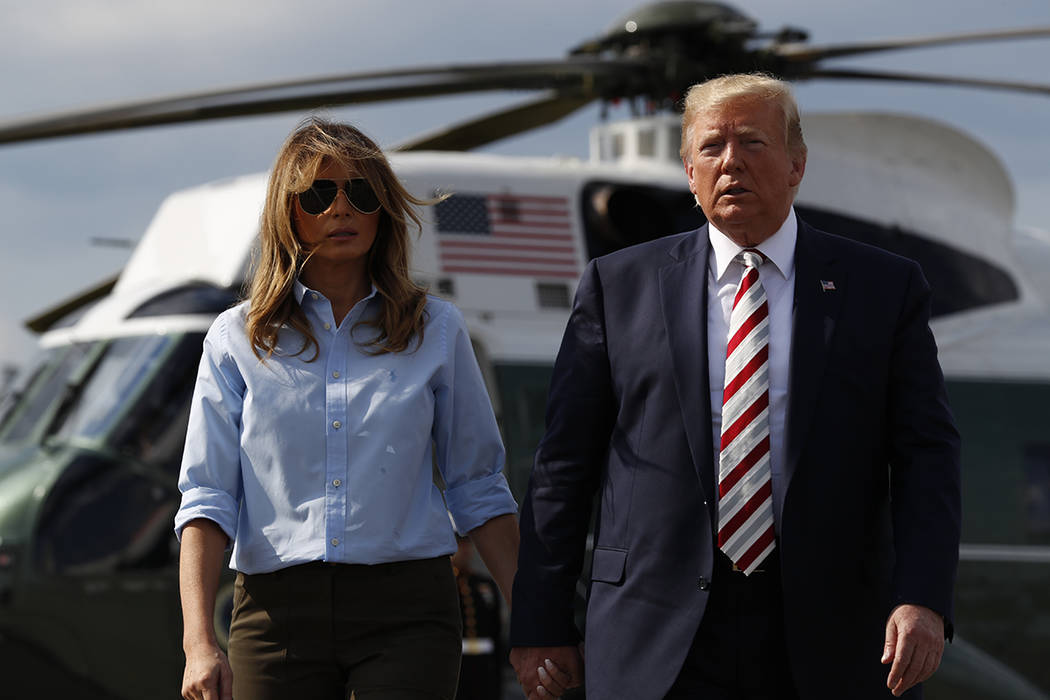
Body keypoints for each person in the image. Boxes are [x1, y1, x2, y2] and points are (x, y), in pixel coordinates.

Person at [509, 73, 961, 700]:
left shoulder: (882, 288)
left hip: (828, 629)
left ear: (798, 163)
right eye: (711, 147)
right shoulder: (619, 287)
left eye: (752, 142)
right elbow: (563, 465)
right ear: (688, 169)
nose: (730, 163)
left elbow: (926, 456)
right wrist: (539, 619)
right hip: (651, 625)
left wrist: (923, 596)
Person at [175, 118, 519, 700]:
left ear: (382, 207)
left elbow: (478, 485)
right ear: (288, 212)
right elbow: (207, 498)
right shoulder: (235, 338)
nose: (341, 209)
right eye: (318, 193)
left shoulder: (437, 330)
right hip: (273, 615)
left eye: (360, 192)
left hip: (409, 612)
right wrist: (198, 643)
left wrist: (537, 622)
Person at [451, 534, 505, 700]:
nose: (465, 550)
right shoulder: (445, 587)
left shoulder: (484, 584)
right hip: (455, 665)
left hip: (483, 665)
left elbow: (496, 630)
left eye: (467, 544)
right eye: (459, 544)